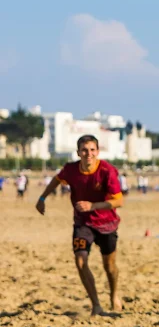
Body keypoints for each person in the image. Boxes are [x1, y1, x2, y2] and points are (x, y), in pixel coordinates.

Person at [35, 134, 124, 316]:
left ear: (98, 151)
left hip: (107, 223)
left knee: (110, 266)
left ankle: (114, 294)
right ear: (78, 152)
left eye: (92, 150)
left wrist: (94, 206)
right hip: (82, 223)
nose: (88, 154)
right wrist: (42, 197)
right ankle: (96, 305)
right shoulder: (71, 169)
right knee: (80, 260)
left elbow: (118, 201)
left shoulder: (107, 171)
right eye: (84, 150)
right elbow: (57, 180)